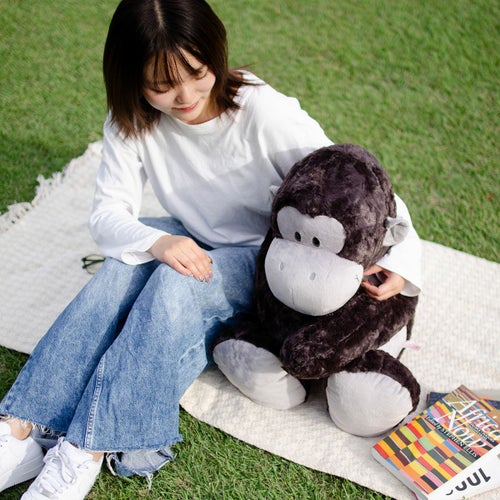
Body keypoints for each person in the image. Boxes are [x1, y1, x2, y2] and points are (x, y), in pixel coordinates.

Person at [0, 0, 422, 498]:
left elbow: (351, 180)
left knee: (175, 281)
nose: (185, 96)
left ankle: (86, 449)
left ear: (215, 56)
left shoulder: (261, 110)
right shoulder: (131, 119)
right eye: (162, 85)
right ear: (131, 78)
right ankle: (20, 428)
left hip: (267, 259)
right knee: (120, 268)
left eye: (198, 74)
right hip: (195, 232)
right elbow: (107, 215)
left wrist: (402, 262)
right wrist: (159, 241)